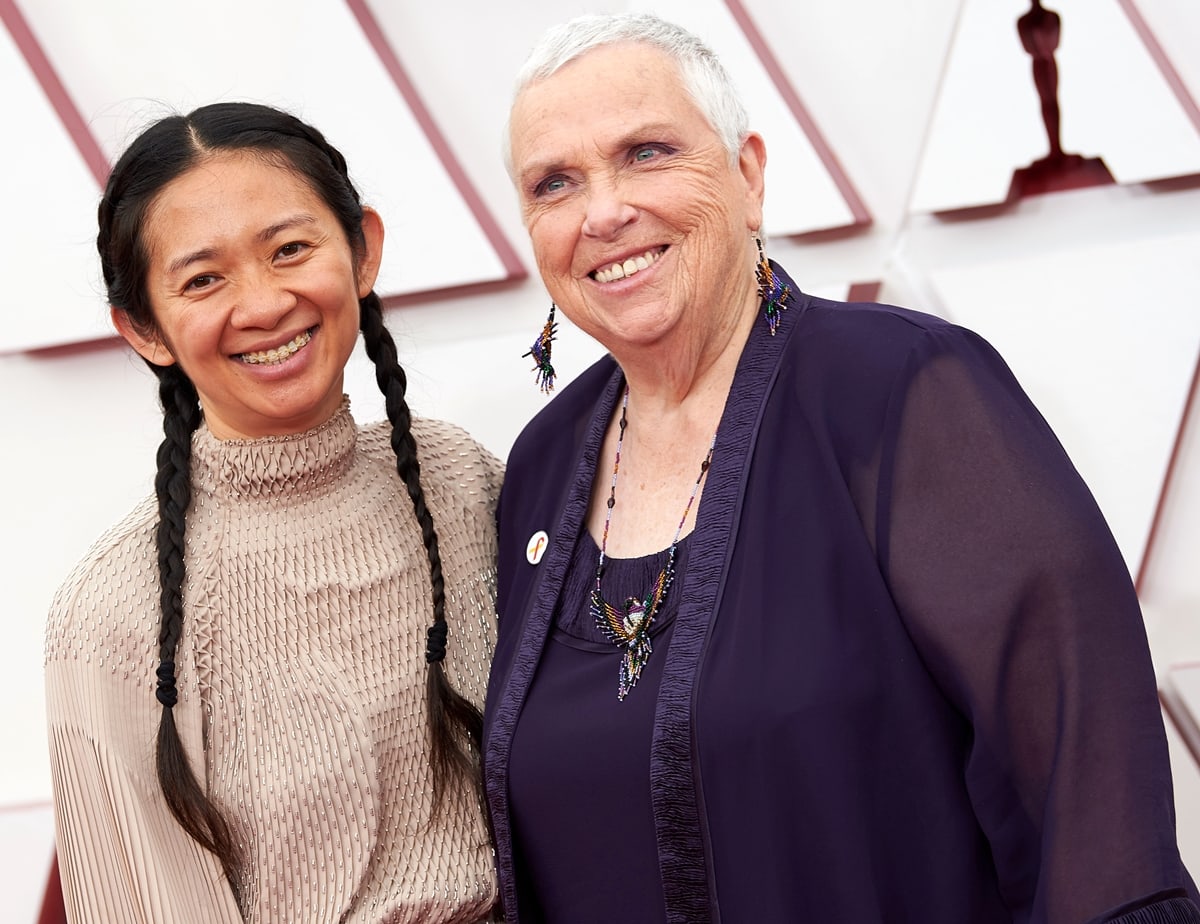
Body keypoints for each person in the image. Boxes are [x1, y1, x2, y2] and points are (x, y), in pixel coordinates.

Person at [482, 13, 1200, 923]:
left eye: (647, 152)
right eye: (555, 183)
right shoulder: (541, 469)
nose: (604, 211)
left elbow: (1085, 793)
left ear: (748, 177)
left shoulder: (906, 393)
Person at [45, 102, 501, 922]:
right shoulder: (114, 613)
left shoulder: (462, 483)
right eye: (203, 279)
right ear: (144, 328)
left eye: (290, 249)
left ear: (362, 251)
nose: (261, 306)